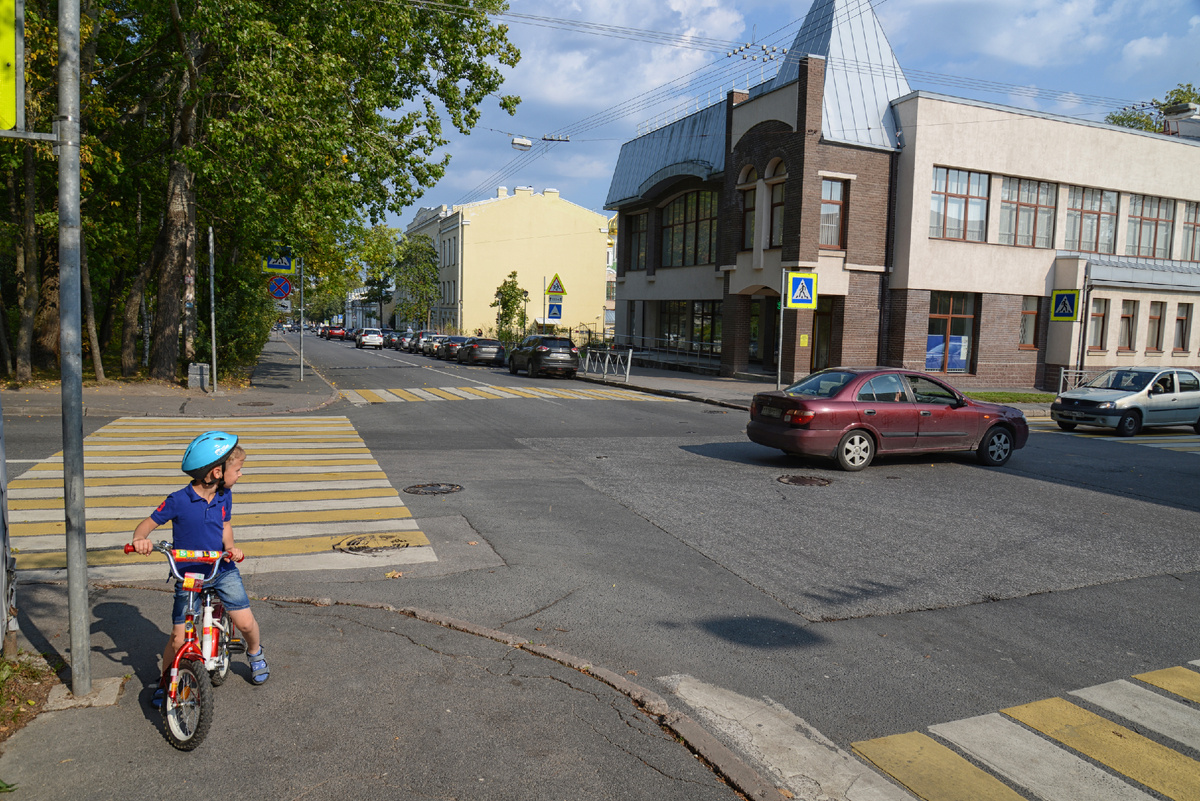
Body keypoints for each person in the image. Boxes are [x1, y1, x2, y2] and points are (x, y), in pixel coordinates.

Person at [131, 430, 269, 708]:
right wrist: (139, 539)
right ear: (217, 472)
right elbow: (147, 524)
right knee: (177, 636)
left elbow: (225, 524)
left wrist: (231, 548)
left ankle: (255, 652)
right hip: (190, 575)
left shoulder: (224, 495)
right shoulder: (178, 500)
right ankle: (167, 679)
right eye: (238, 469)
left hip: (221, 568)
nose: (240, 475)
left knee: (244, 622)